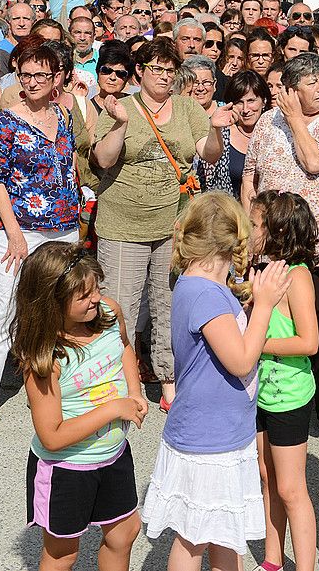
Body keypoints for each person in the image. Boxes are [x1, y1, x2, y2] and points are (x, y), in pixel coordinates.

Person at [141, 193, 291, 571]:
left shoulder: (199, 285)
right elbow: (241, 361)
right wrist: (266, 305)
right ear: (231, 241)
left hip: (219, 433)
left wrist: (249, 308)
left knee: (225, 533)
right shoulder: (206, 292)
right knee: (193, 538)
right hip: (209, 438)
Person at [93, 39, 229, 409]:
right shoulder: (120, 105)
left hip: (173, 224)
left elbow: (208, 154)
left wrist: (215, 129)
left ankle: (169, 384)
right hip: (123, 223)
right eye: (156, 69)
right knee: (119, 306)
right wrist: (120, 125)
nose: (164, 77)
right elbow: (103, 159)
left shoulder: (186, 108)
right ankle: (117, 383)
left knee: (169, 306)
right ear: (140, 71)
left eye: (170, 71)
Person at [13, 242, 144, 570]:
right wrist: (115, 408)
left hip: (112, 456)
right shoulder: (44, 358)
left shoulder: (109, 314)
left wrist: (135, 389)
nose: (96, 298)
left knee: (124, 532)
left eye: (96, 288)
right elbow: (52, 437)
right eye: (84, 296)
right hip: (67, 470)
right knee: (63, 554)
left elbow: (125, 347)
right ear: (51, 301)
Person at [0, 39, 82, 425]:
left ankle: (53, 390)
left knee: (60, 313)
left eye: (41, 74)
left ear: (56, 76)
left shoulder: (62, 114)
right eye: (25, 74)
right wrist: (12, 234)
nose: (32, 82)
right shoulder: (5, 121)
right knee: (4, 311)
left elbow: (67, 166)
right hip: (21, 230)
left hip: (64, 228)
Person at [249, 192, 319, 571]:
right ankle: (273, 560)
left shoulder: (297, 278)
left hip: (289, 395)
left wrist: (257, 341)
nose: (250, 229)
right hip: (262, 392)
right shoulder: (263, 271)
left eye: (256, 223)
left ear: (276, 231)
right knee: (267, 476)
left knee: (292, 489)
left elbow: (309, 342)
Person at [243, 52, 319, 274]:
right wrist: (250, 234)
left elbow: (313, 163)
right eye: (312, 83)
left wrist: (294, 118)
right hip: (270, 243)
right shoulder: (267, 120)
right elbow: (249, 179)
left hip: (318, 246)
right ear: (290, 90)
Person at [198, 71, 271, 196]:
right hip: (228, 210)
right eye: (239, 102)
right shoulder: (222, 133)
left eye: (251, 101)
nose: (246, 109)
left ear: (263, 101)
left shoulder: (274, 134)